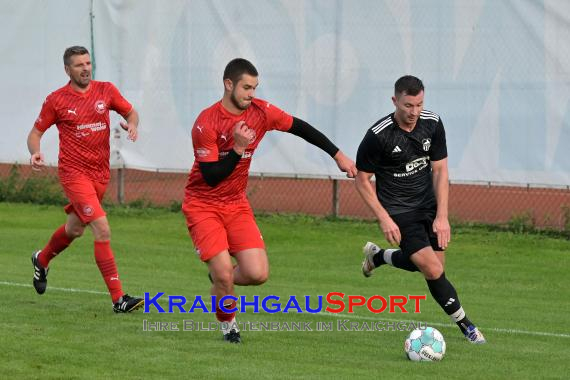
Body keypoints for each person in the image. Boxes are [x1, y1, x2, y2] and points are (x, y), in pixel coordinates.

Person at [183, 58, 357, 343]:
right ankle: (229, 327)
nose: (252, 94)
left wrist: (337, 155)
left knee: (257, 273)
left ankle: (218, 280)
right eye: (246, 87)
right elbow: (212, 176)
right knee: (226, 273)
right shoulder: (206, 123)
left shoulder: (261, 112)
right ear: (228, 85)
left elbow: (300, 127)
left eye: (255, 87)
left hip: (236, 204)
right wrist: (238, 148)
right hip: (203, 204)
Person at [355, 75, 486, 343]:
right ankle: (467, 326)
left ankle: (378, 257)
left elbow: (440, 169)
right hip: (399, 212)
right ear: (395, 101)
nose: (414, 112)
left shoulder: (432, 124)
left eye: (419, 104)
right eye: (408, 106)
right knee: (433, 270)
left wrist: (443, 216)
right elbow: (361, 179)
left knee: (429, 267)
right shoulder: (378, 136)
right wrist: (383, 218)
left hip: (429, 206)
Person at [27, 46, 144, 313]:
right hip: (74, 174)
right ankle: (119, 299)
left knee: (75, 229)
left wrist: (133, 124)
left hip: (100, 175)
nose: (85, 68)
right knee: (102, 228)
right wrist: (35, 152)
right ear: (67, 70)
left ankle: (42, 260)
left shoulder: (106, 90)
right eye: (79, 65)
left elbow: (130, 112)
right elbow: (35, 133)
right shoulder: (56, 100)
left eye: (88, 63)